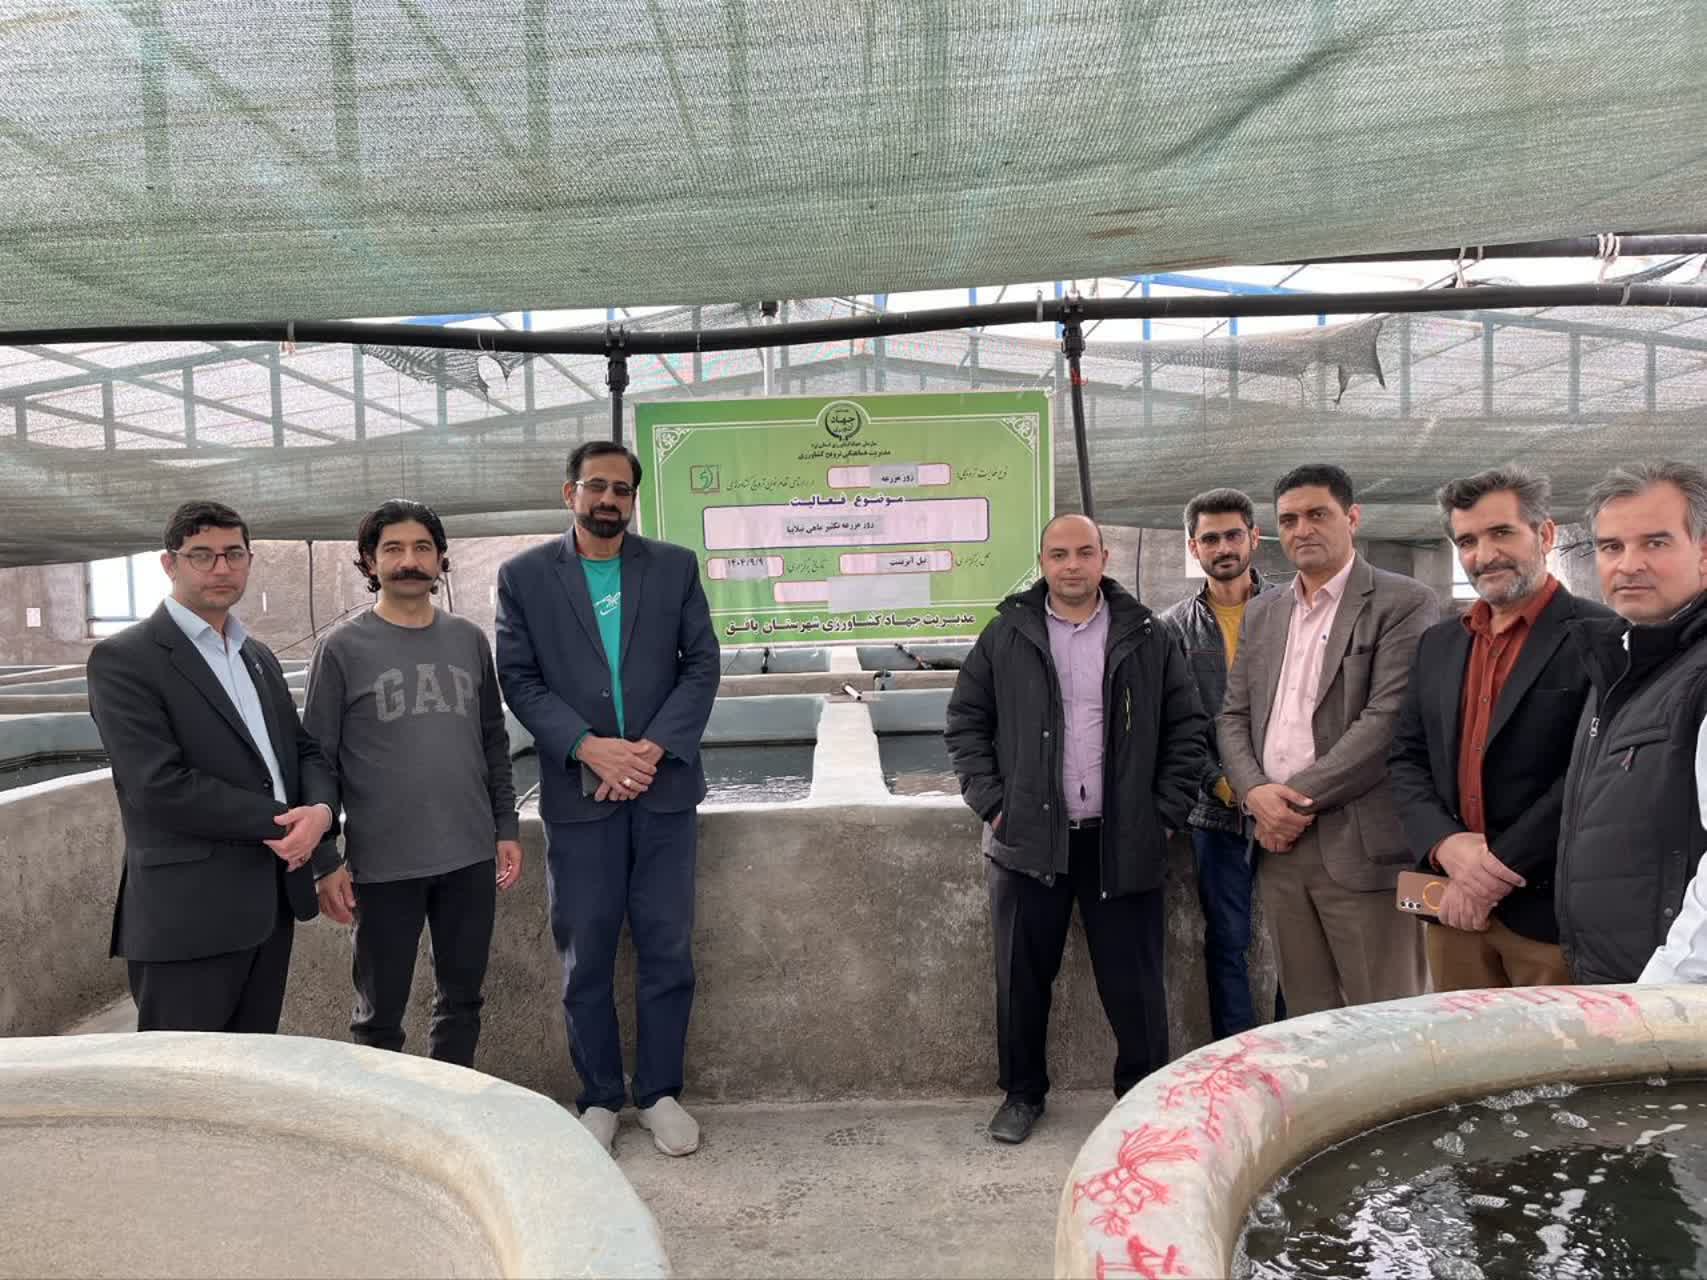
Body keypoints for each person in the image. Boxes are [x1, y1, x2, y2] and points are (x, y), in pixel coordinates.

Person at [946, 514, 1208, 1145]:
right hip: (1028, 840)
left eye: (1084, 552)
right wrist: (995, 805)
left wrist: (1162, 814)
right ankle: (1021, 1094)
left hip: (1121, 839)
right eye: (1059, 554)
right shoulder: (1007, 633)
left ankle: (1140, 1097)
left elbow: (1187, 728)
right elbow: (965, 722)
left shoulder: (1146, 634)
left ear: (1103, 558)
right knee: (1021, 977)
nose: (1071, 565)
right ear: (1042, 561)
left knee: (1135, 981)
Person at [496, 441, 719, 1156]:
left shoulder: (674, 567)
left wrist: (650, 749)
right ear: (570, 494)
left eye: (621, 489)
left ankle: (658, 1094)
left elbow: (701, 664)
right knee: (584, 949)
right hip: (578, 794)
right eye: (596, 486)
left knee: (667, 946)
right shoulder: (525, 576)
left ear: (633, 499)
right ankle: (597, 1096)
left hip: (662, 790)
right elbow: (519, 677)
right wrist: (588, 747)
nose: (608, 500)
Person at [86, 500, 336, 1032]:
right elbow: (157, 784)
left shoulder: (257, 656)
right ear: (169, 564)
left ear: (249, 561)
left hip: (270, 904)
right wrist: (281, 822)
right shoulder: (126, 660)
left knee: (251, 1065)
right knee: (181, 1072)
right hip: (188, 916)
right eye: (202, 555)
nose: (221, 568)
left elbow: (302, 750)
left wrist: (320, 811)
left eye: (233, 554)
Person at [303, 499, 522, 1069]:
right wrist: (325, 860)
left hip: (469, 855)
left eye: (422, 548)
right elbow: (317, 759)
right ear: (369, 562)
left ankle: (451, 1103)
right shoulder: (342, 650)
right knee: (379, 1015)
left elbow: (493, 741)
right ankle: (386, 1110)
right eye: (393, 549)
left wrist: (505, 826)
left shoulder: (468, 640)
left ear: (441, 558)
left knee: (463, 1001)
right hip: (383, 865)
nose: (409, 561)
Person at [1217, 464, 1438, 1015]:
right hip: (1277, 847)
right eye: (1289, 520)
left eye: (1318, 514)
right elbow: (1233, 715)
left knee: (1385, 1014)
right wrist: (1255, 794)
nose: (1302, 530)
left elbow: (1386, 721)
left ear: (1352, 518)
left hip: (1359, 844)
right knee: (1308, 1014)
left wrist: (1289, 803)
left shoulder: (1403, 602)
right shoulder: (1264, 611)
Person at [1389, 467, 1610, 990]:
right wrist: (1445, 845)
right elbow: (1406, 757)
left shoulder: (1603, 635)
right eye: (1467, 541)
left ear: (1545, 534)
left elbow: (1594, 774)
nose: (1484, 555)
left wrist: (1491, 872)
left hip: (1548, 917)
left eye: (1501, 533)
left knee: (1555, 1045)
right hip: (1451, 912)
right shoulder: (1440, 644)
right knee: (1458, 1040)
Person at [1554, 461, 1707, 984]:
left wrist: (1659, 994)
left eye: (1655, 543)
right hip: (1614, 981)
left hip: (1668, 1000)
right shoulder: (1623, 660)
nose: (1628, 565)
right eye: (1611, 547)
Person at [1158, 488, 1285, 1039]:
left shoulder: (1290, 610)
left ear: (1254, 537)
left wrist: (1279, 791)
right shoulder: (1172, 629)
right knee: (1227, 939)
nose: (1223, 547)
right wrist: (1225, 786)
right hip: (1216, 813)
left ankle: (1290, 1046)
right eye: (1210, 539)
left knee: (1294, 939)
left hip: (1288, 807)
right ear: (1194, 547)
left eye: (1234, 535)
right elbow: (1177, 724)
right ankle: (1236, 1051)